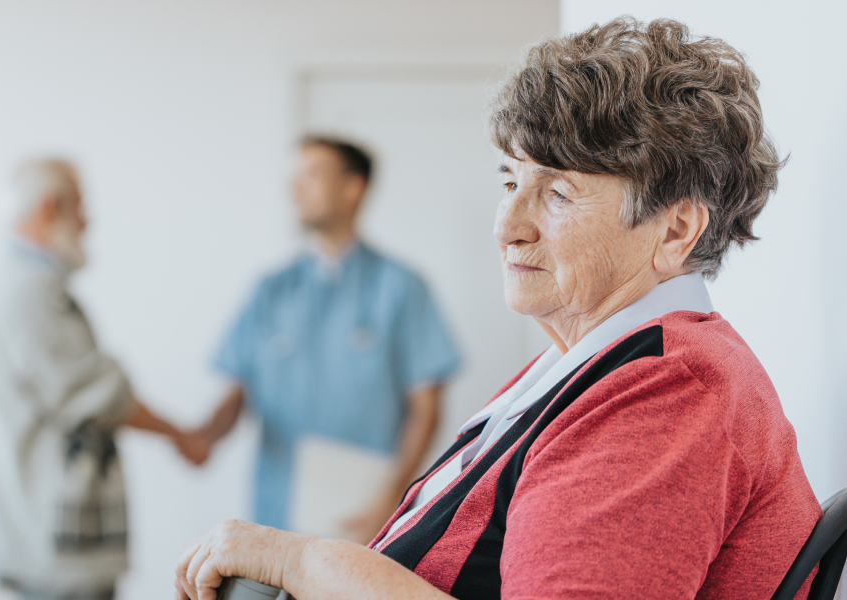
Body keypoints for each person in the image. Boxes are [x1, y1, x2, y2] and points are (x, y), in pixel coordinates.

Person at [173, 18, 823, 600]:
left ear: (676, 230)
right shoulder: (585, 361)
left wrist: (304, 561)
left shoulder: (665, 394)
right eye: (511, 182)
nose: (507, 225)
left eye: (557, 192)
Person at [0, 159, 207, 600]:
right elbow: (101, 395)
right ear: (53, 207)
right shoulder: (29, 291)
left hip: (32, 533)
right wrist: (179, 435)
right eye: (82, 207)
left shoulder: (7, 281)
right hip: (53, 547)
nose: (89, 221)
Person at [195, 136, 461, 543]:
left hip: (365, 519)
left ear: (353, 188)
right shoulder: (270, 290)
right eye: (294, 177)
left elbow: (426, 410)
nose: (295, 188)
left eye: (312, 175)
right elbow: (236, 393)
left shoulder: (401, 288)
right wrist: (204, 434)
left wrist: (391, 499)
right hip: (274, 521)